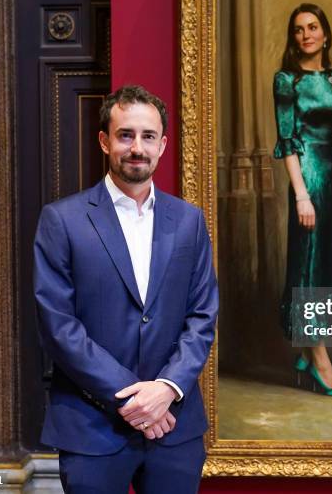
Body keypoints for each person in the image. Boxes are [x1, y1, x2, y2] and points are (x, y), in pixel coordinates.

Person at [33, 84, 218, 493]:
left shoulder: (189, 221)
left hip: (175, 428)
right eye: (125, 135)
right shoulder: (61, 221)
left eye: (148, 136)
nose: (137, 147)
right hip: (91, 427)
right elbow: (58, 327)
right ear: (104, 141)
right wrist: (136, 402)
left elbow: (202, 315)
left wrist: (166, 389)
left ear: (163, 145)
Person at [273, 3, 332, 397]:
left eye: (313, 27)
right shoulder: (287, 80)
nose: (306, 34)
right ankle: (321, 362)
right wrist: (302, 194)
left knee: (326, 262)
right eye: (299, 29)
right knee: (307, 264)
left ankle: (307, 349)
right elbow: (286, 141)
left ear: (325, 33)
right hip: (308, 175)